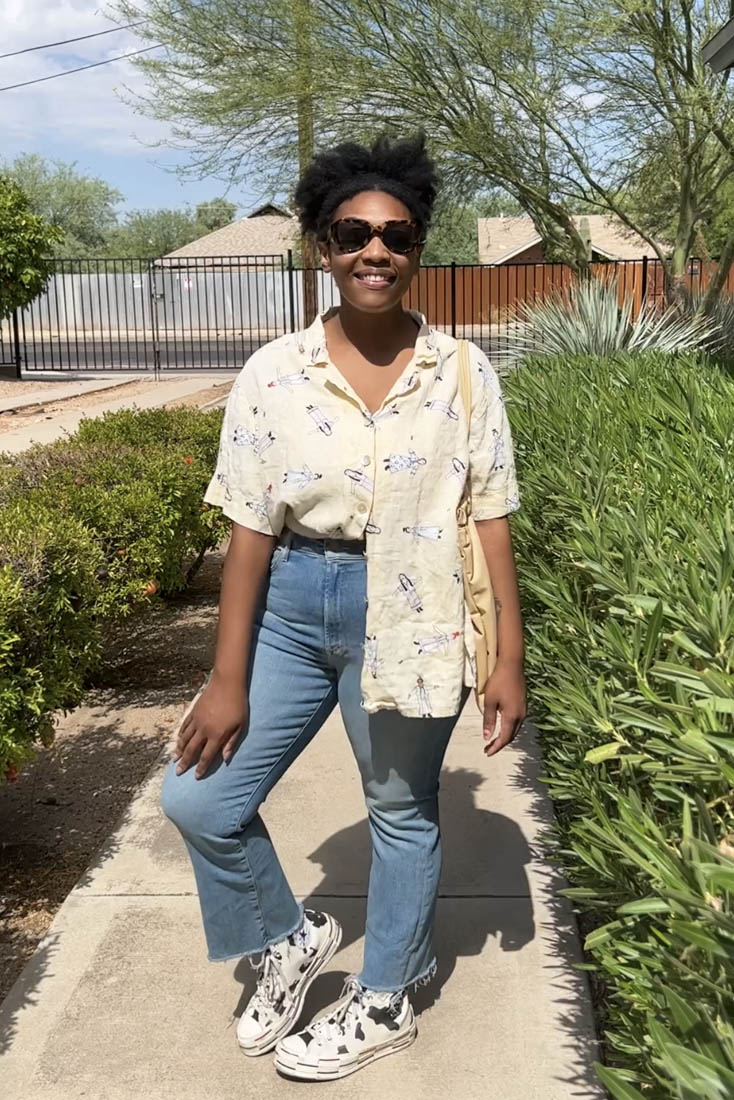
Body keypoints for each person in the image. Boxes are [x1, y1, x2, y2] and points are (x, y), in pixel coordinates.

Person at [162, 132, 526, 1082]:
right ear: (322, 247)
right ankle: (285, 937)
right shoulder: (274, 372)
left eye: (397, 236)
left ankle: (386, 995)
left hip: (417, 608)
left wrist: (508, 661)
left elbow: (491, 518)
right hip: (293, 601)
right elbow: (247, 526)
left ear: (417, 250)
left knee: (401, 813)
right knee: (198, 797)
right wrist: (225, 677)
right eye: (353, 232)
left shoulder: (463, 373)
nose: (375, 251)